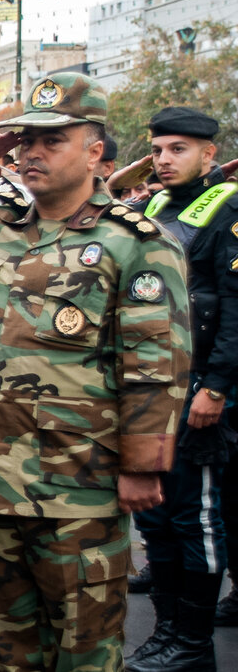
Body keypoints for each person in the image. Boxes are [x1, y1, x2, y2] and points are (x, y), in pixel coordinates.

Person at [0, 73, 191, 672]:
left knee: (84, 651)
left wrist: (142, 467)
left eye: (52, 140)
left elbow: (156, 365)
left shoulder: (133, 243)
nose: (31, 152)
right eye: (25, 140)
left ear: (96, 151)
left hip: (77, 487)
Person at [126, 106, 238, 671]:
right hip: (153, 389)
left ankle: (192, 642)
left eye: (178, 150)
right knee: (157, 515)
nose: (164, 160)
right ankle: (167, 633)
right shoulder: (152, 206)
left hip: (198, 389)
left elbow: (236, 308)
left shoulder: (227, 209)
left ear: (207, 153)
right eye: (159, 149)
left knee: (196, 516)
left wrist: (215, 388)